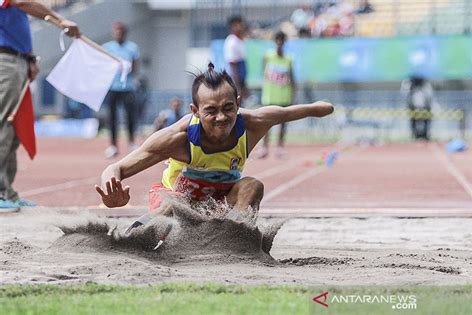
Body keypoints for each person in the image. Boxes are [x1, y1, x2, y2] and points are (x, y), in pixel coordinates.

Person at [95, 63, 333, 231]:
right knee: (173, 204)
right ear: (195, 111)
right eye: (211, 111)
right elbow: (116, 168)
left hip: (218, 206)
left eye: (228, 108)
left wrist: (321, 107)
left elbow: (292, 111)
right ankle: (138, 236)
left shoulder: (253, 124)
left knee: (252, 186)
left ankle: (234, 239)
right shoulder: (177, 138)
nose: (221, 118)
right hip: (174, 204)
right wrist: (110, 195)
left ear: (238, 104)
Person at [0, 0, 80, 212]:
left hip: (15, 58)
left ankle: (7, 192)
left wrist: (29, 57)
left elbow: (16, 21)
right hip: (4, 60)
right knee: (4, 126)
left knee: (12, 128)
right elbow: (22, 2)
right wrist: (60, 20)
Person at [102, 22, 140, 159]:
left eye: (120, 32)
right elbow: (103, 65)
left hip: (127, 87)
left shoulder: (132, 48)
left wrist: (129, 70)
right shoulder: (107, 48)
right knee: (112, 117)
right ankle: (113, 145)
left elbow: (136, 66)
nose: (118, 35)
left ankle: (131, 142)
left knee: (130, 115)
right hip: (112, 87)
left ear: (125, 33)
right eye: (116, 32)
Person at [256, 31, 295, 159]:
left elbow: (292, 77)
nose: (279, 42)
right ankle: (264, 148)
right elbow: (264, 72)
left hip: (284, 95)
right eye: (277, 40)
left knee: (283, 123)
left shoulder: (289, 58)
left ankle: (279, 147)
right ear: (274, 41)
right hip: (270, 95)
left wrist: (293, 94)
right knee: (266, 123)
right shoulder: (268, 56)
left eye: (282, 40)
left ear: (284, 42)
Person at [223, 15, 249, 100]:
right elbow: (233, 65)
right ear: (233, 26)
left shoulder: (240, 41)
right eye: (238, 25)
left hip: (241, 79)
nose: (241, 27)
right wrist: (237, 86)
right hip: (234, 80)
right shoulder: (232, 42)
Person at [401, 76, 434, 141]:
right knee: (413, 121)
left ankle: (425, 135)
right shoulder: (409, 84)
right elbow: (404, 93)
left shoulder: (426, 85)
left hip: (425, 107)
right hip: (413, 107)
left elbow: (429, 95)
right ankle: (415, 135)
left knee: (426, 121)